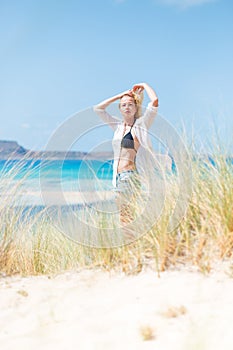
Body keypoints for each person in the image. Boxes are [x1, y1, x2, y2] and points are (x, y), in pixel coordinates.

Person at [93, 82, 159, 233]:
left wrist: (144, 84)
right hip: (117, 177)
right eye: (123, 105)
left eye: (130, 104)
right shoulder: (117, 126)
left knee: (124, 217)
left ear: (136, 108)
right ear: (120, 109)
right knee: (126, 216)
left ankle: (130, 248)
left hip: (129, 177)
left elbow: (154, 102)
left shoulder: (141, 124)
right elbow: (98, 108)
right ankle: (134, 245)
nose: (127, 107)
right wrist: (120, 95)